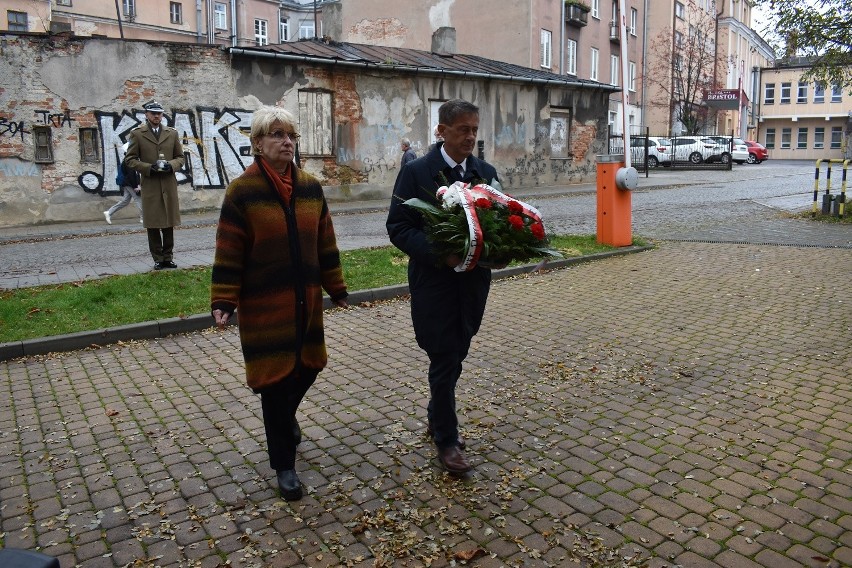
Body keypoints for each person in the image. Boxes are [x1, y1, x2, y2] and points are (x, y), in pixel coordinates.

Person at [210, 106, 349, 501]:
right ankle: (284, 466)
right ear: (257, 144)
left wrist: (336, 288)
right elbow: (229, 249)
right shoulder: (243, 191)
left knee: (309, 366)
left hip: (306, 304)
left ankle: (286, 421)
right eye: (276, 135)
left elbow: (326, 243)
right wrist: (224, 298)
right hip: (265, 309)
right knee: (274, 385)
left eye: (290, 135)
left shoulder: (310, 188)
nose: (286, 142)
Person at [386, 99, 499, 476]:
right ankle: (447, 441)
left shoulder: (485, 173)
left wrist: (499, 251)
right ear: (442, 131)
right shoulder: (417, 172)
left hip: (473, 284)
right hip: (434, 282)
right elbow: (398, 227)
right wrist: (442, 255)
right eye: (462, 129)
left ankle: (437, 413)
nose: (470, 137)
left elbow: (500, 222)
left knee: (457, 350)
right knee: (444, 354)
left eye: (474, 130)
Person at [125, 100, 185, 270]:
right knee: (152, 223)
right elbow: (129, 160)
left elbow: (180, 157)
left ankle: (168, 257)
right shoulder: (137, 134)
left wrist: (171, 165)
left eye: (159, 113)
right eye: (153, 113)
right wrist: (147, 168)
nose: (157, 116)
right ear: (146, 115)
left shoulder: (171, 133)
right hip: (150, 183)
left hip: (168, 182)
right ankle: (158, 258)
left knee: (168, 222)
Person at [104, 142, 143, 225]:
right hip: (130, 184)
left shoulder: (127, 160)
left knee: (125, 201)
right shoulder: (129, 161)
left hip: (127, 183)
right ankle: (143, 218)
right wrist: (136, 186)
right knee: (138, 199)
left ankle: (109, 212)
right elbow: (131, 175)